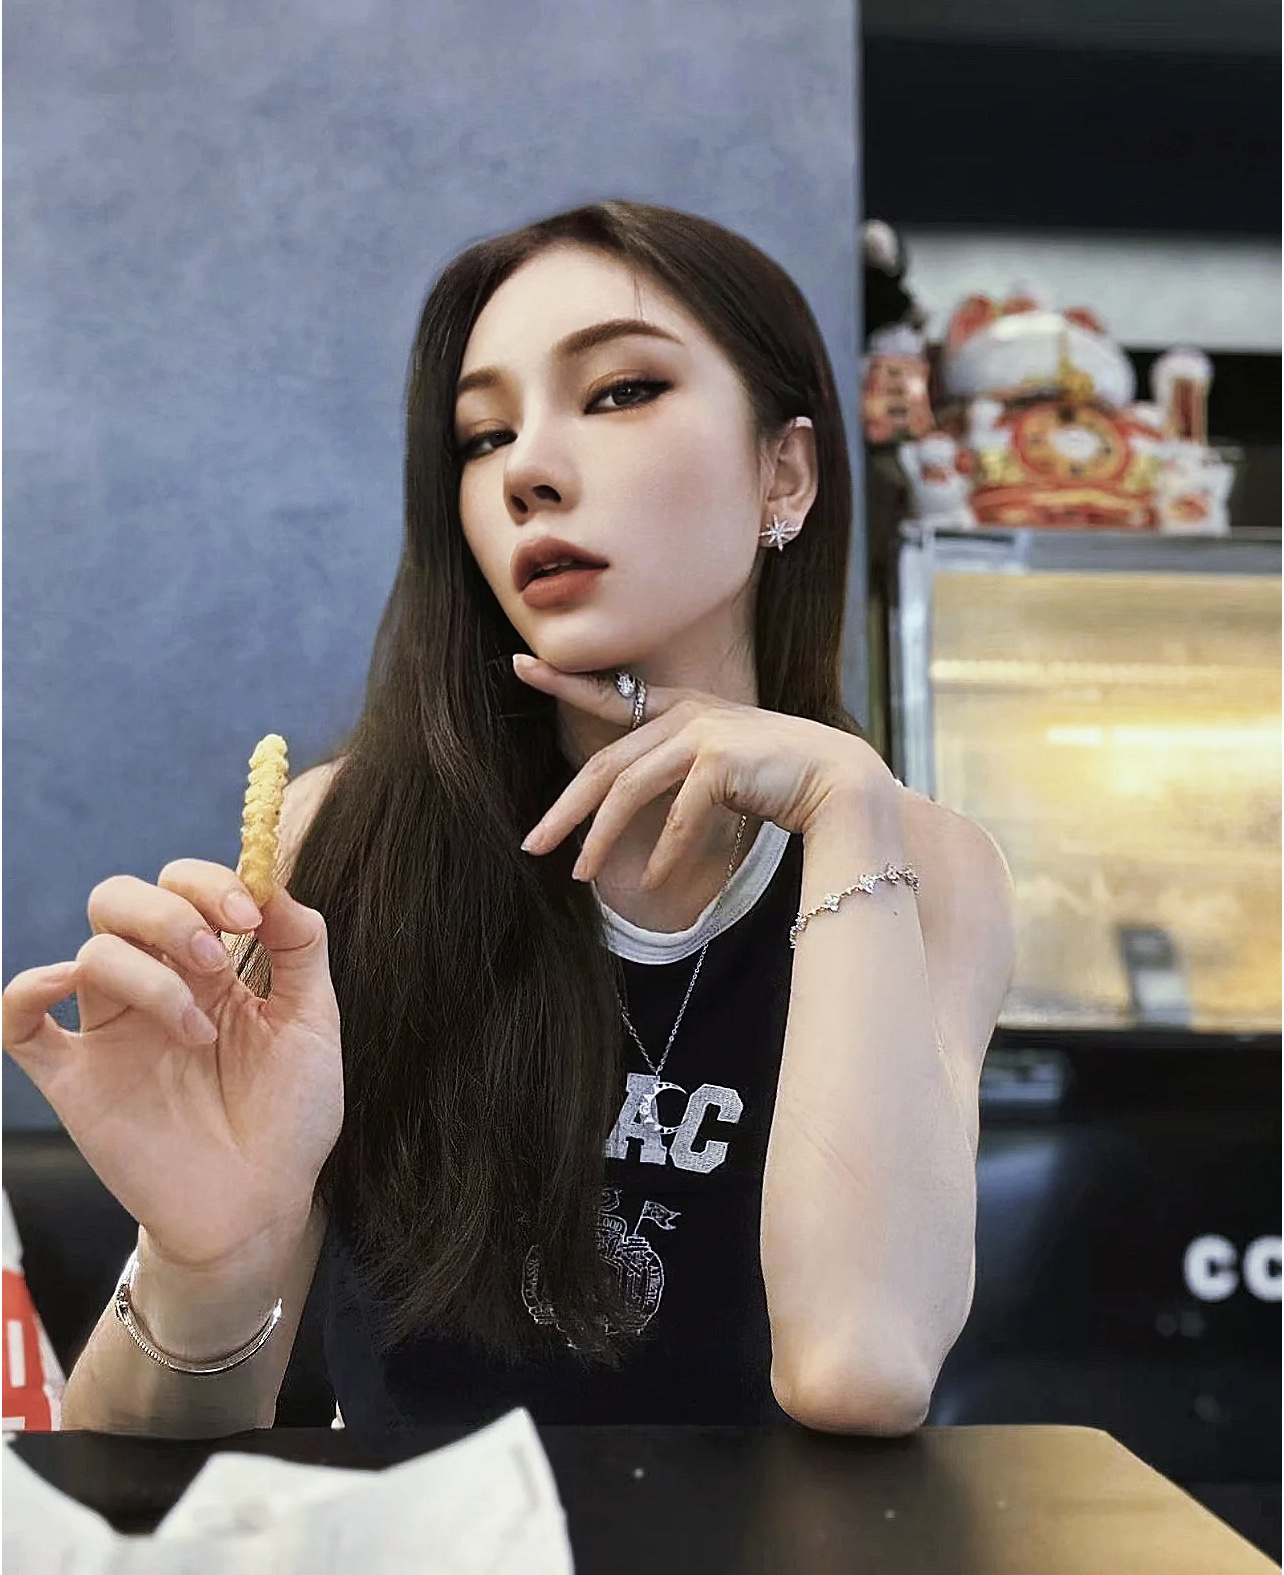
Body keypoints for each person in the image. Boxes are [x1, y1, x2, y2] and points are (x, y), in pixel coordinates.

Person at [2, 200, 1015, 1440]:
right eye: (483, 436)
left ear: (784, 472)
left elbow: (861, 1370)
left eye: (621, 391)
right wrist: (205, 1258)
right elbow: (138, 1460)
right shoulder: (347, 838)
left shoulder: (928, 866)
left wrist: (845, 804)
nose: (528, 470)